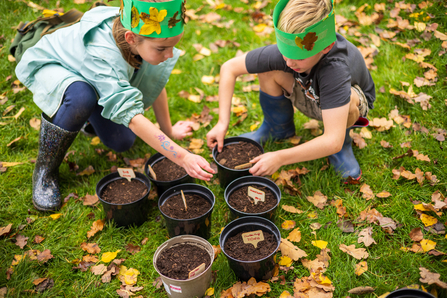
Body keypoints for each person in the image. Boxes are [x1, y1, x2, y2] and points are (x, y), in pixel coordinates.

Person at [16, 0, 214, 211]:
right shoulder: (104, 53)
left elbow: (153, 82)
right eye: (162, 49)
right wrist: (182, 156)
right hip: (59, 65)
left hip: (96, 75)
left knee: (122, 141)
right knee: (81, 96)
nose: (169, 55)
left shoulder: (142, 40)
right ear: (131, 38)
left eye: (173, 46)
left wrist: (169, 131)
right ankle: (45, 170)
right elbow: (134, 120)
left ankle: (89, 113)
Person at [207, 0, 375, 181]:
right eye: (285, 52)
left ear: (325, 47)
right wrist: (222, 122)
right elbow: (229, 68)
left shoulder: (335, 69)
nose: (288, 61)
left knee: (348, 101)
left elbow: (331, 141)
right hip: (312, 94)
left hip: (345, 109)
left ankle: (343, 146)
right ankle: (277, 128)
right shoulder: (291, 53)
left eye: (298, 57)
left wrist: (280, 157)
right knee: (268, 68)